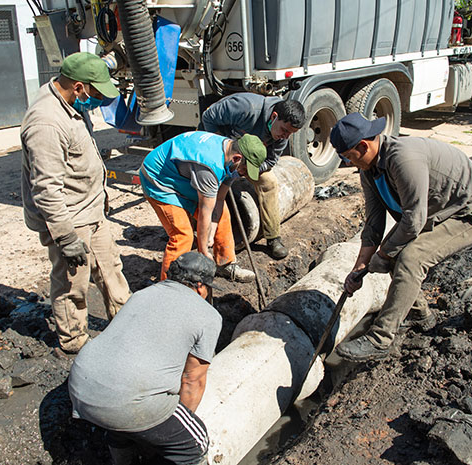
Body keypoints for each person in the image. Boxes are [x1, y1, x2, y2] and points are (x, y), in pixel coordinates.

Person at [331, 113, 472, 362]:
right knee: (395, 251)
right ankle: (419, 313)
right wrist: (360, 266)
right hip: (435, 212)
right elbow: (374, 222)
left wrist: (384, 254)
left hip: (471, 212)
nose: (346, 163)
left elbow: (413, 222)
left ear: (363, 146)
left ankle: (380, 339)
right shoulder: (370, 169)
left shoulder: (403, 159)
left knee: (410, 258)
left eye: (347, 157)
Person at [21, 52, 131, 355]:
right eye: (96, 94)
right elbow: (45, 189)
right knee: (73, 281)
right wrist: (66, 237)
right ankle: (74, 341)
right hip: (69, 217)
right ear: (79, 87)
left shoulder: (70, 104)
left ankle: (126, 322)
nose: (98, 100)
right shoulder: (46, 123)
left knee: (111, 268)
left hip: (91, 209)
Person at [68, 251, 222, 465]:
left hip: (80, 385)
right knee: (195, 441)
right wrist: (174, 427)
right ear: (200, 286)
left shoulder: (142, 294)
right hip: (125, 402)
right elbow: (192, 381)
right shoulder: (208, 316)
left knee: (122, 416)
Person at [140, 131, 266, 283]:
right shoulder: (210, 165)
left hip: (184, 177)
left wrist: (211, 234)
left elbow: (219, 199)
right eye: (244, 170)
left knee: (223, 214)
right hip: (160, 181)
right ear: (237, 158)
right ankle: (169, 286)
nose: (243, 175)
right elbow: (205, 214)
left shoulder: (231, 153)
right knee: (182, 235)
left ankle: (224, 264)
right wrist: (204, 250)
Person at [201, 93, 305, 259]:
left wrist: (246, 169)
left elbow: (270, 162)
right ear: (274, 116)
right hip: (220, 150)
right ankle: (198, 228)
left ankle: (273, 237)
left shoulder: (282, 135)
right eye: (284, 130)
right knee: (206, 187)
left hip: (247, 160)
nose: (285, 136)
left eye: (290, 133)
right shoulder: (245, 108)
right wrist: (222, 149)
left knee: (269, 182)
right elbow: (209, 116)